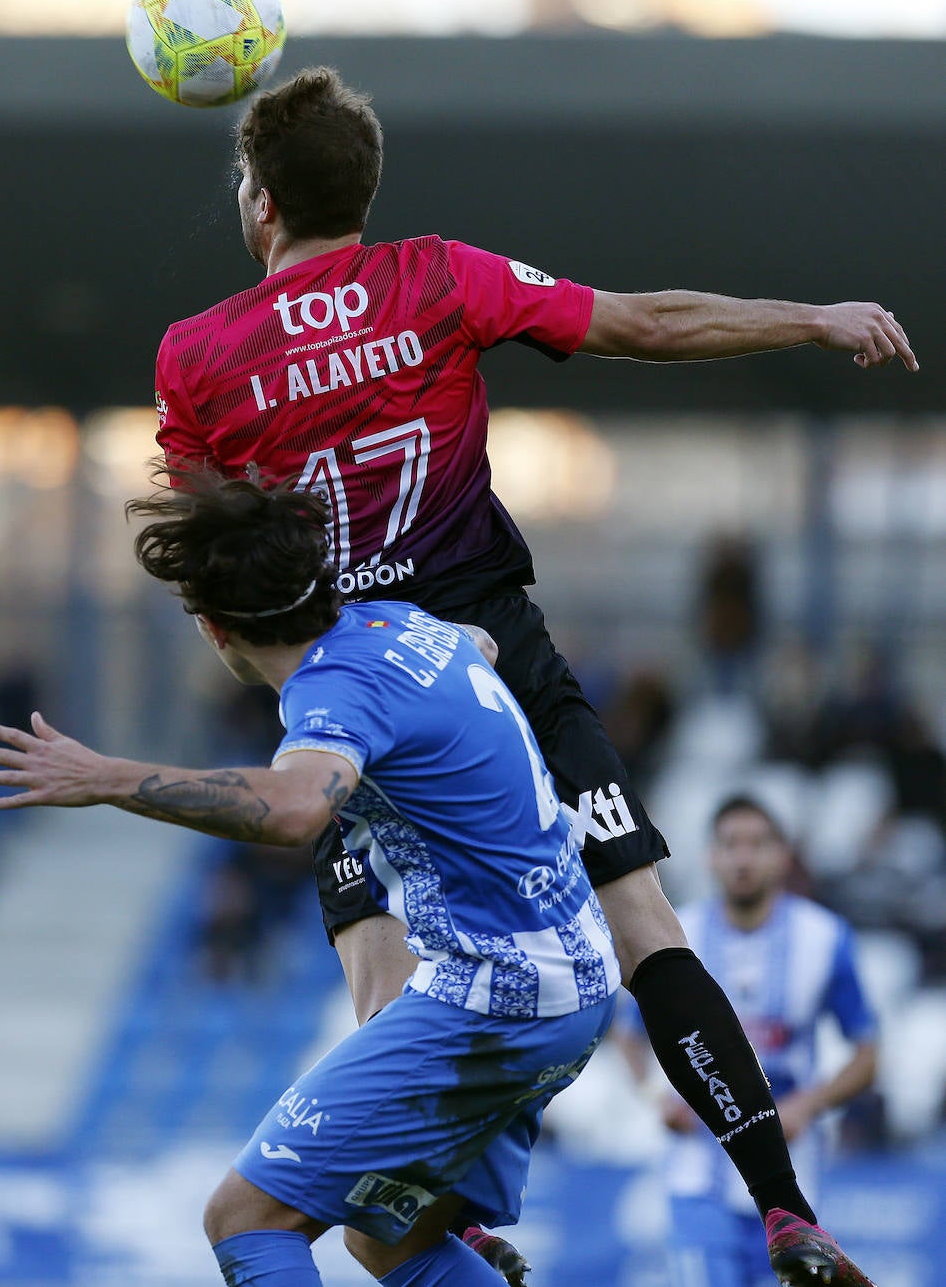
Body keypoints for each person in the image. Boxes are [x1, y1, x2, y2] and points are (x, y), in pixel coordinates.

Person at [150, 64, 909, 1284]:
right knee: (644, 924)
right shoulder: (436, 276)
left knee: (378, 956)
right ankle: (780, 1208)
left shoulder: (199, 355)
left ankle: (429, 1210)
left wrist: (239, 641)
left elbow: (201, 553)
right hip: (495, 663)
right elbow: (641, 324)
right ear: (366, 192)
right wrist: (805, 319)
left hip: (348, 681)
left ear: (260, 206)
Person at [0, 467, 622, 1287]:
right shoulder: (401, 624)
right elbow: (480, 647)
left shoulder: (334, 690)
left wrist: (104, 777)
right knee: (390, 1237)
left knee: (243, 1219)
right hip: (575, 978)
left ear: (213, 629)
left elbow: (292, 809)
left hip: (497, 992)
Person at [620, 794, 879, 1287]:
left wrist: (809, 1103)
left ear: (783, 856)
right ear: (710, 857)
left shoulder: (824, 937)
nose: (743, 857)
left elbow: (867, 1052)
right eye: (730, 844)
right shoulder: (673, 937)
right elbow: (628, 1033)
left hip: (793, 1168)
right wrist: (656, 1094)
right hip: (697, 1173)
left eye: (757, 844)